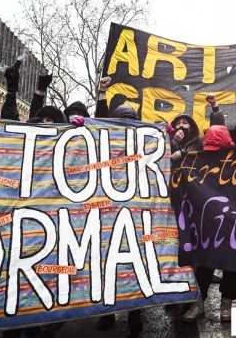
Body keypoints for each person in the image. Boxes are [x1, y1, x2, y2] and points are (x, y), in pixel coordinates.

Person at [181, 125, 236, 323]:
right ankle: (199, 302)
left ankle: (226, 300)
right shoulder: (199, 161)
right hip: (208, 221)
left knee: (232, 262)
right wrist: (175, 158)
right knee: (205, 261)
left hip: (234, 222)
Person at [95, 103, 144, 333]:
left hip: (137, 214)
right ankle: (108, 312)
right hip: (108, 213)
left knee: (136, 266)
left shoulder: (145, 142)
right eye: (122, 117)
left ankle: (135, 313)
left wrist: (166, 139)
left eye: (131, 118)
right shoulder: (103, 142)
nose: (127, 121)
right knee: (108, 264)